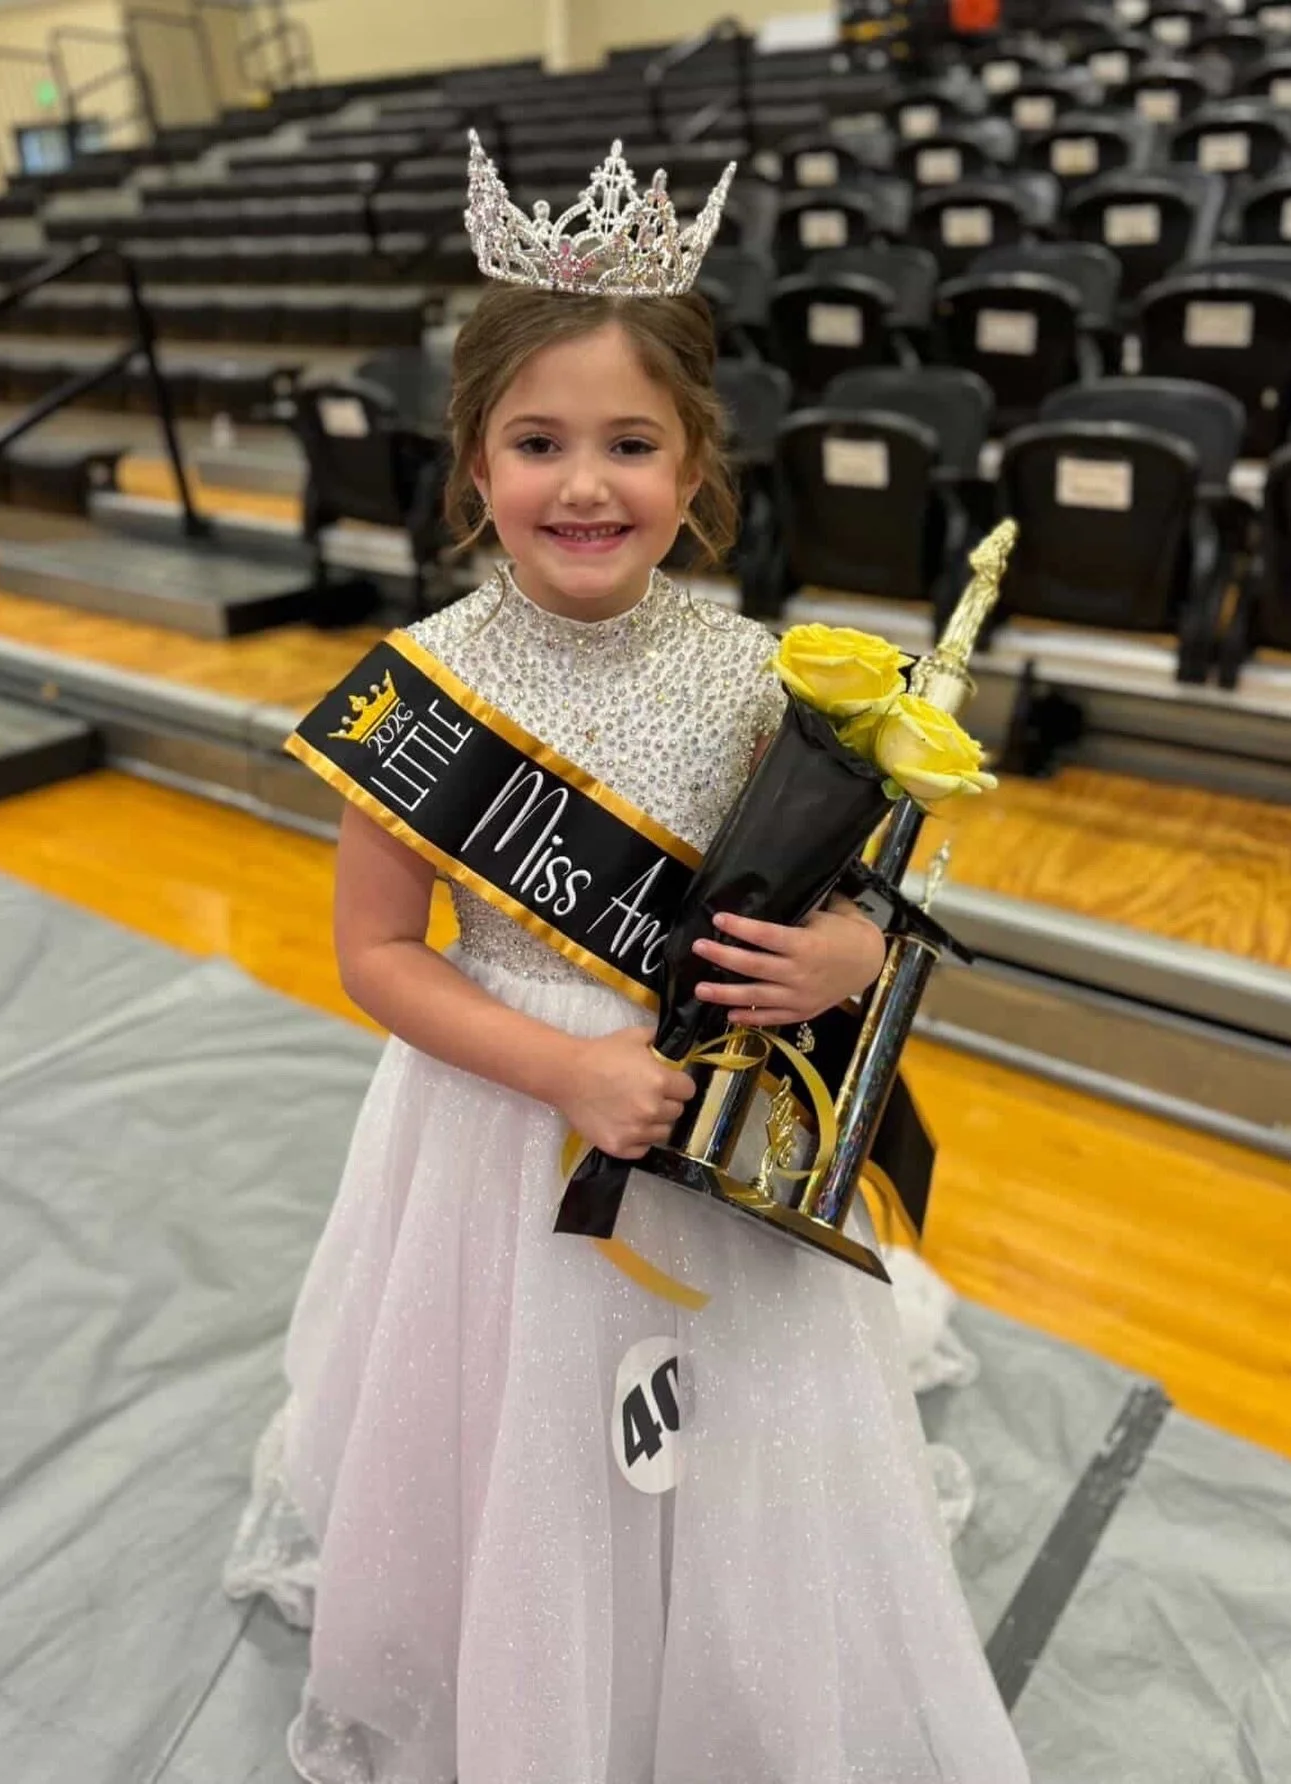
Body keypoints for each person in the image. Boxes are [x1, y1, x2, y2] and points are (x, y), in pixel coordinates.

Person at [224, 135, 1029, 1784]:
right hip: (502, 1119)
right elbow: (374, 954)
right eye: (538, 443)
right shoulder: (419, 687)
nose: (584, 486)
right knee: (523, 1426)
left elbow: (860, 901)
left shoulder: (767, 675)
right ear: (474, 461)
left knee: (731, 1423)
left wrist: (846, 959)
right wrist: (566, 1068)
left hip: (721, 1125)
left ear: (695, 462)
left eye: (630, 444)